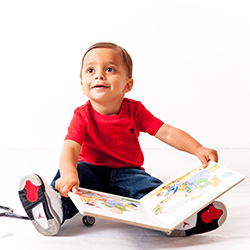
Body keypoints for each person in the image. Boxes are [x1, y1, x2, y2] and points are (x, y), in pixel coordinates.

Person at [18, 42, 227, 237]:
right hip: (90, 169)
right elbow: (71, 148)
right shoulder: (82, 115)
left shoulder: (135, 110)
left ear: (128, 85)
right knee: (70, 184)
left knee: (153, 190)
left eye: (109, 69)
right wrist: (69, 174)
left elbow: (167, 132)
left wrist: (197, 149)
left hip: (128, 173)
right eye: (91, 70)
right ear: (83, 86)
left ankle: (182, 217)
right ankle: (55, 209)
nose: (99, 75)